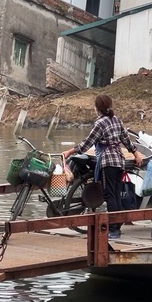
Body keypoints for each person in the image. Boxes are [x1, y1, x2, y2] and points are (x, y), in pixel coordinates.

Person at [62, 94, 143, 239]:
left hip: (108, 162)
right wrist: (136, 154)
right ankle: (117, 225)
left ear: (97, 108)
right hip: (119, 161)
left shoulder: (100, 123)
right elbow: (126, 140)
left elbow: (87, 143)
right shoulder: (117, 120)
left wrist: (70, 151)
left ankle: (113, 230)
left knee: (109, 195)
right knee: (116, 194)